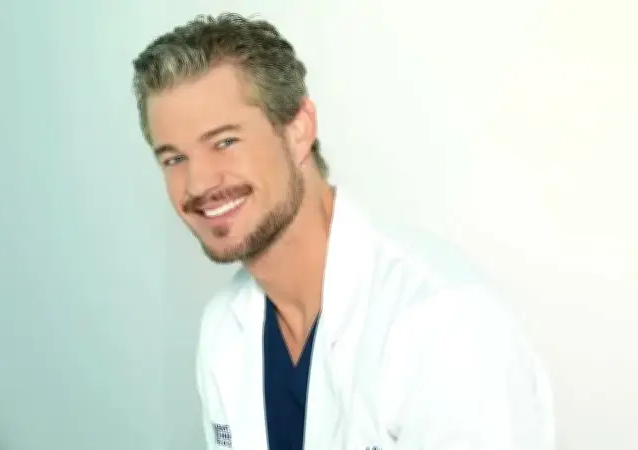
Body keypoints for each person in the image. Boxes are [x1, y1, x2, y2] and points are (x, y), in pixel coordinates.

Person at [130, 12, 555, 450]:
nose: (198, 183)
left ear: (298, 130)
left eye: (224, 142)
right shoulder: (224, 328)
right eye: (173, 159)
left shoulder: (445, 323)